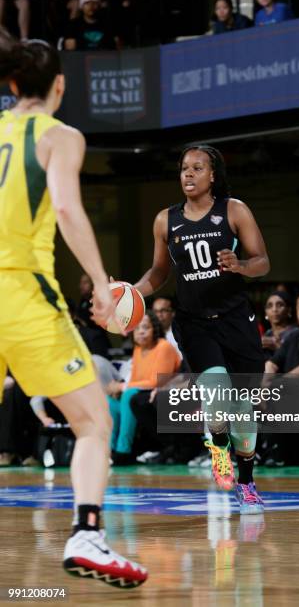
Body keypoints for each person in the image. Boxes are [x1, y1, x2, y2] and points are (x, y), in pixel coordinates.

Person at [0, 30, 147, 587]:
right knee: (93, 421)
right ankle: (87, 534)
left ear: (14, 83)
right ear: (59, 86)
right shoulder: (59, 135)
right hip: (21, 291)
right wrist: (103, 288)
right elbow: (64, 206)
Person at [132, 145, 270, 514]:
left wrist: (241, 265)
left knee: (243, 412)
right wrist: (131, 294)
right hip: (194, 323)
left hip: (236, 321)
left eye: (197, 168)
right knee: (216, 388)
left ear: (213, 175)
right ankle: (218, 445)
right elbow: (159, 273)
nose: (188, 174)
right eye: (183, 169)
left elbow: (262, 261)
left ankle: (247, 481)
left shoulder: (234, 210)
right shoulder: (166, 220)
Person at [109, 310, 181, 464]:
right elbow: (135, 379)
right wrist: (122, 389)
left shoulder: (164, 347)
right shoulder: (137, 350)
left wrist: (123, 387)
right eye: (137, 328)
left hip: (165, 396)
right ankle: (110, 450)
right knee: (110, 401)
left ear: (155, 329)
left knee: (129, 394)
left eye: (146, 327)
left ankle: (123, 451)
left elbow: (157, 382)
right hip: (140, 393)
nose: (140, 331)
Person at [262, 290, 295, 365]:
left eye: (280, 305)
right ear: (265, 312)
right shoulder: (267, 334)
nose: (274, 310)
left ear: (289, 310)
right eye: (270, 306)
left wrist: (278, 347)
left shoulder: (296, 332)